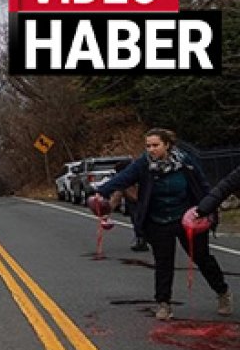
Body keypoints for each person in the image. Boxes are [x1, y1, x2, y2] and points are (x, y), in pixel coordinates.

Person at [94, 128, 230, 321]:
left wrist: (208, 208)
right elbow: (122, 178)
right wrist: (102, 191)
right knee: (163, 263)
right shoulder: (143, 165)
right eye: (148, 146)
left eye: (155, 145)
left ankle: (222, 292)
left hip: (187, 218)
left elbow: (202, 185)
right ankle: (164, 304)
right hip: (158, 220)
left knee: (202, 258)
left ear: (167, 145)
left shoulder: (186, 162)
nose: (151, 149)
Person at [111, 159, 148, 251]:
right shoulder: (136, 175)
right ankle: (141, 239)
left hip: (140, 202)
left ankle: (142, 240)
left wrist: (109, 209)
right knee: (136, 220)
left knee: (138, 220)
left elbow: (118, 196)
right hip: (134, 202)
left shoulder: (130, 179)